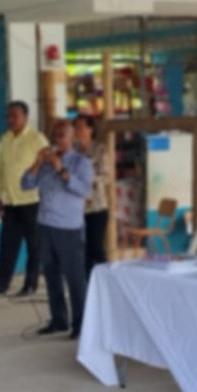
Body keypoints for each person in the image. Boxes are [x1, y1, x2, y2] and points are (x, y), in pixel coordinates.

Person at [22, 118, 94, 339]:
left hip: (68, 228)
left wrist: (60, 169)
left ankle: (80, 325)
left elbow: (84, 190)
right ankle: (59, 320)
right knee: (51, 275)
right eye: (54, 135)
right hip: (45, 225)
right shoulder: (46, 162)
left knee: (74, 278)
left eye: (62, 135)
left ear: (72, 138)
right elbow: (25, 184)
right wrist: (37, 163)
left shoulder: (81, 163)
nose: (57, 140)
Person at [0, 101, 48, 297]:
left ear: (25, 117)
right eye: (8, 116)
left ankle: (30, 284)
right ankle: (1, 283)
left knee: (34, 246)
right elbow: (1, 170)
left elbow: (46, 167)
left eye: (15, 116)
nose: (10, 120)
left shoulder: (37, 139)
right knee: (7, 244)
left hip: (32, 201)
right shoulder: (5, 138)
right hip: (11, 201)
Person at [73, 114, 111, 277]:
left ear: (91, 129)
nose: (78, 130)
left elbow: (107, 176)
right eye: (76, 127)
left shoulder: (99, 149)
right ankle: (88, 284)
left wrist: (92, 179)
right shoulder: (72, 150)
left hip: (96, 207)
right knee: (83, 249)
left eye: (81, 127)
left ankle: (108, 277)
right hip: (76, 208)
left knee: (96, 247)